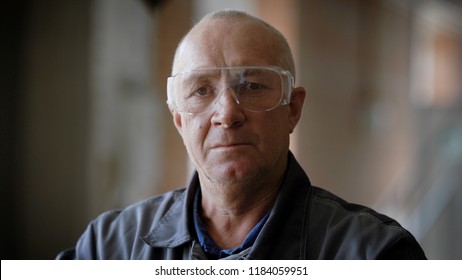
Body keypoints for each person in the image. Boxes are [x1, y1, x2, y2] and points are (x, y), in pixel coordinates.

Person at [57, 9, 426, 260]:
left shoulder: (375, 254)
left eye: (251, 85)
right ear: (179, 120)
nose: (227, 113)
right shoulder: (109, 247)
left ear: (292, 109)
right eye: (201, 90)